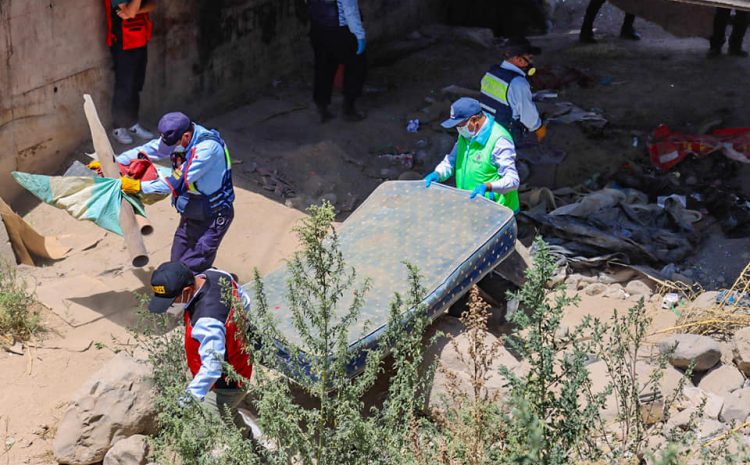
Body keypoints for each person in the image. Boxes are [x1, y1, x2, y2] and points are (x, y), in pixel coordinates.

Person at [116, 112, 234, 273]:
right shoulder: (179, 136)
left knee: (192, 269)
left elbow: (175, 182)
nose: (169, 149)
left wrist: (138, 186)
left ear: (186, 136)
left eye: (173, 145)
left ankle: (210, 291)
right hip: (192, 212)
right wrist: (116, 162)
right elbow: (149, 150)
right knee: (177, 263)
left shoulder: (206, 149)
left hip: (213, 217)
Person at [147, 261, 252, 424]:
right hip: (240, 359)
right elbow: (245, 300)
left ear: (187, 291)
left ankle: (252, 444)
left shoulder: (207, 321)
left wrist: (184, 403)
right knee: (227, 417)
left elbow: (211, 368)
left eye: (170, 302)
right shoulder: (217, 275)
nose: (168, 309)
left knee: (216, 422)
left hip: (226, 383)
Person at [423, 98, 520, 214]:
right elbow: (452, 160)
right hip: (472, 207)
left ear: (473, 120)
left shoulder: (499, 140)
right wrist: (438, 174)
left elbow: (513, 180)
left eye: (459, 125)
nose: (458, 129)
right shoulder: (466, 135)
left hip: (498, 212)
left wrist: (487, 187)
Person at [105, 0, 156, 145]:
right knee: (124, 86)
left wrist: (136, 11)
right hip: (122, 42)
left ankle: (132, 123)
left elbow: (152, 5)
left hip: (140, 39)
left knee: (136, 85)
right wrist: (136, 9)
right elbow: (130, 12)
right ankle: (118, 127)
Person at [308, 0, 367, 122]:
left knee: (323, 67)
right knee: (356, 66)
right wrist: (359, 35)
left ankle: (321, 107)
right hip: (341, 30)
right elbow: (350, 10)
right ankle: (349, 109)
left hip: (318, 27)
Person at [479, 40, 546, 145]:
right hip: (504, 133)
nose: (531, 63)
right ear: (518, 59)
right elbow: (528, 117)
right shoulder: (518, 83)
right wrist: (539, 128)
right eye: (530, 58)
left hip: (484, 126)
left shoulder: (491, 72)